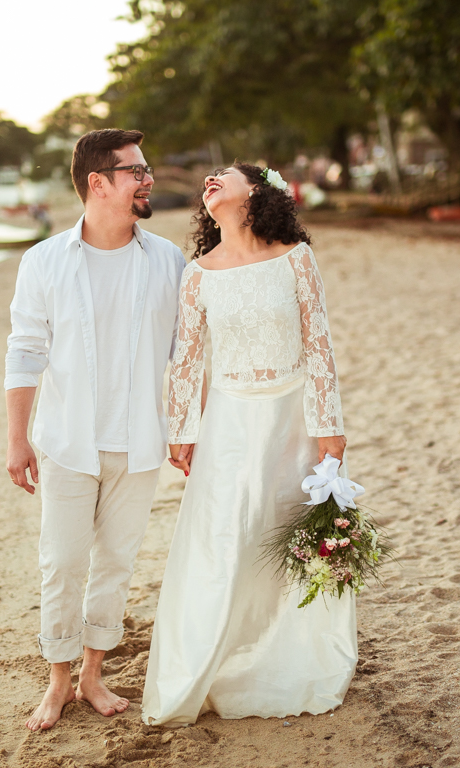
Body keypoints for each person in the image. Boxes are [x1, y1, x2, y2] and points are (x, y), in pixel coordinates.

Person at [140, 162, 355, 726]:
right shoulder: (198, 274)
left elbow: (319, 345)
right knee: (226, 535)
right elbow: (186, 361)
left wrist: (329, 425)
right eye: (207, 178)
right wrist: (182, 431)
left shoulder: (296, 258)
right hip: (229, 421)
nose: (210, 180)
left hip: (293, 418)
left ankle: (289, 655)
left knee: (286, 530)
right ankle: (214, 657)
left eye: (224, 174)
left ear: (256, 192)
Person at [4, 129, 185, 731]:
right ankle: (57, 681)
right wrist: (17, 438)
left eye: (146, 169)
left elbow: (186, 355)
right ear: (98, 183)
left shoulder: (168, 260)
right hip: (66, 441)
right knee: (61, 562)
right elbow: (25, 351)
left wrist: (187, 429)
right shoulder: (44, 261)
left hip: (141, 442)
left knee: (116, 564)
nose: (148, 179)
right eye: (136, 171)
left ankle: (92, 673)